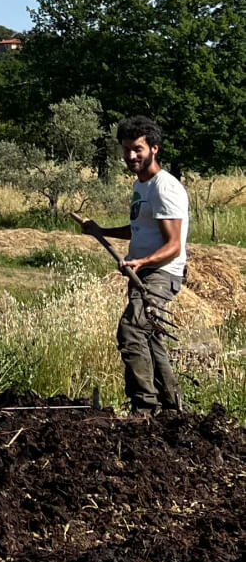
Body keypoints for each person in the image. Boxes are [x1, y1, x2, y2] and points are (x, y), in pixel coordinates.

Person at [81, 115, 188, 413]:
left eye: (137, 149)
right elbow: (139, 229)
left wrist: (142, 261)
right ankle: (172, 408)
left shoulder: (164, 188)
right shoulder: (141, 186)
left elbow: (174, 245)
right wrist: (102, 231)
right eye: (127, 149)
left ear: (154, 148)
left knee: (130, 330)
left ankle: (143, 408)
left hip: (161, 272)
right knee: (149, 336)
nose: (130, 156)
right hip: (144, 270)